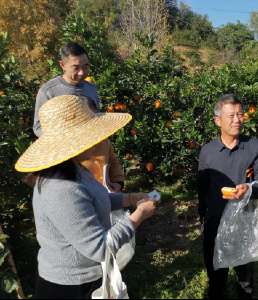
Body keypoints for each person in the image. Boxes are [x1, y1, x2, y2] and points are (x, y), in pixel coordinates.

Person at [16, 95, 156, 299]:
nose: (98, 141)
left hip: (90, 276)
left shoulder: (76, 169)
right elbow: (99, 248)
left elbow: (93, 201)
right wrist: (137, 217)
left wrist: (129, 199)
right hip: (71, 286)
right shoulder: (61, 189)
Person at [197, 94, 258, 299]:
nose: (237, 120)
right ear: (217, 121)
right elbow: (202, 188)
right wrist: (202, 217)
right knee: (216, 275)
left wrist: (249, 189)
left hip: (245, 219)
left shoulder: (254, 146)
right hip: (215, 219)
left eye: (240, 114)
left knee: (245, 276)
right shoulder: (208, 152)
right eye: (230, 115)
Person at [33, 41, 99, 137]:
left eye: (85, 66)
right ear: (62, 65)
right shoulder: (48, 91)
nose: (81, 73)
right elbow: (38, 126)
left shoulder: (91, 89)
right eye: (75, 68)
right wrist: (62, 139)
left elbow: (97, 118)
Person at [79, 96, 125, 193]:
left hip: (107, 194)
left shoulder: (103, 140)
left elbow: (113, 162)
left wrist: (118, 182)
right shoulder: (70, 148)